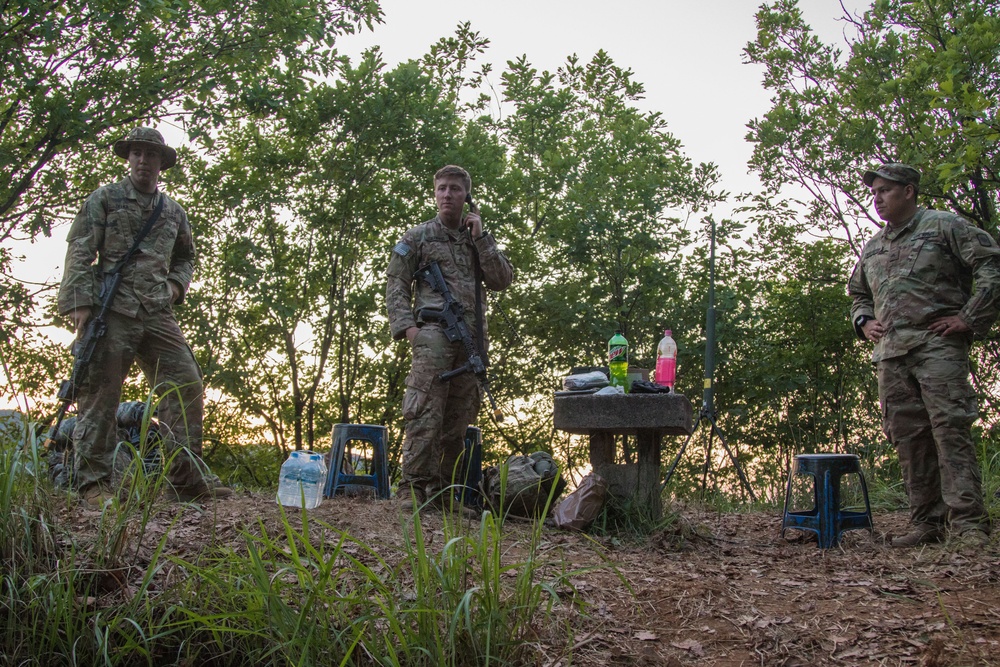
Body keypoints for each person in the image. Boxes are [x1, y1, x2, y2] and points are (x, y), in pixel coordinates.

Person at [57, 127, 231, 507]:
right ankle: (94, 485)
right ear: (128, 158)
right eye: (136, 153)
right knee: (100, 394)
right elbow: (80, 251)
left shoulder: (172, 212)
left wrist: (174, 286)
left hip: (156, 310)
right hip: (112, 309)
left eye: (150, 155)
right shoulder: (104, 198)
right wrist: (80, 304)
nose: (142, 160)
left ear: (160, 164)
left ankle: (184, 480)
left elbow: (187, 257)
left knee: (185, 383)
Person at [848, 163, 1000, 548]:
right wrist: (864, 321)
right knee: (908, 438)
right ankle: (927, 525)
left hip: (937, 346)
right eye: (874, 193)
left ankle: (969, 525)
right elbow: (858, 294)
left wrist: (969, 317)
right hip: (891, 354)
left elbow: (991, 265)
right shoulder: (874, 246)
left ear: (909, 191)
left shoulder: (944, 226)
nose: (877, 198)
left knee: (950, 429)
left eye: (885, 190)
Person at [386, 165, 514, 513]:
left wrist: (483, 239)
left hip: (471, 342)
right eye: (441, 188)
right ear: (434, 193)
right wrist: (408, 328)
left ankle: (444, 494)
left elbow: (502, 279)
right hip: (433, 337)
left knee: (458, 419)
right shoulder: (418, 237)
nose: (447, 194)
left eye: (455, 189)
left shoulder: (477, 240)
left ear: (466, 196)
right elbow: (396, 284)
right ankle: (411, 489)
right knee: (425, 411)